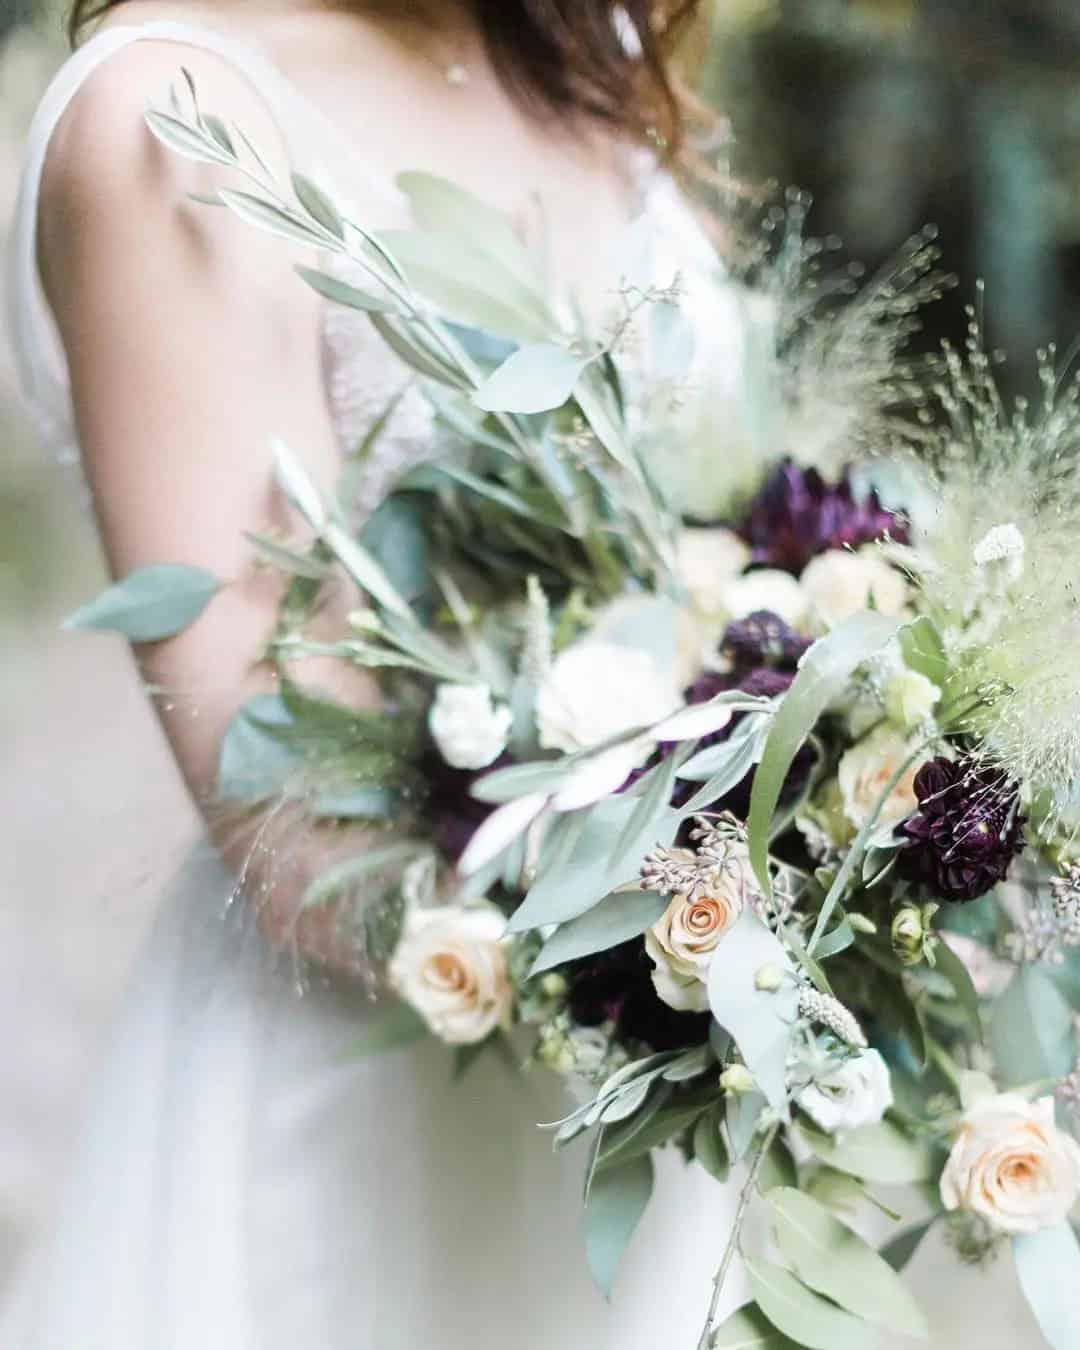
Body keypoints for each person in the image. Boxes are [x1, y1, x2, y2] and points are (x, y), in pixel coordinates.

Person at [2, 1, 747, 1346]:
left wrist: (862, 799)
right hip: (368, 1142)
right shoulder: (174, 113)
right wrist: (726, 900)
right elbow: (294, 806)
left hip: (652, 1117)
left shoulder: (584, 54)